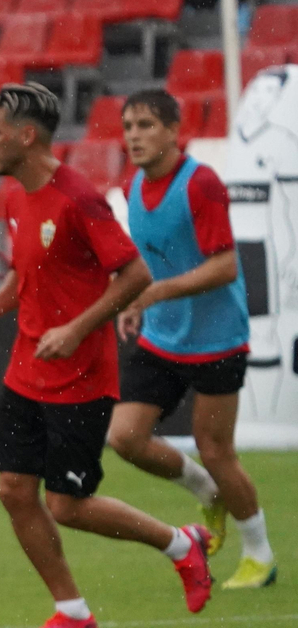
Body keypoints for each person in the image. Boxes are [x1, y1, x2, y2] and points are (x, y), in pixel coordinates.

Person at [0, 83, 213, 628]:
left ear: (27, 137)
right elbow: (24, 273)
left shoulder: (77, 197)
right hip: (25, 371)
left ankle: (180, 543)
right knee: (14, 491)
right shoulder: (16, 196)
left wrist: (77, 328)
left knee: (69, 505)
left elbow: (136, 275)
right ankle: (72, 612)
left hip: (80, 378)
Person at [106, 89, 276, 590]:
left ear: (174, 130)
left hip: (218, 339)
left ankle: (259, 555)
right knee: (125, 438)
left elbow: (225, 266)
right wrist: (132, 303)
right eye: (129, 126)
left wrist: (157, 292)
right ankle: (208, 492)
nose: (134, 135)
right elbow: (145, 259)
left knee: (216, 448)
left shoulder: (200, 183)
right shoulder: (133, 186)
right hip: (162, 336)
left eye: (146, 125)